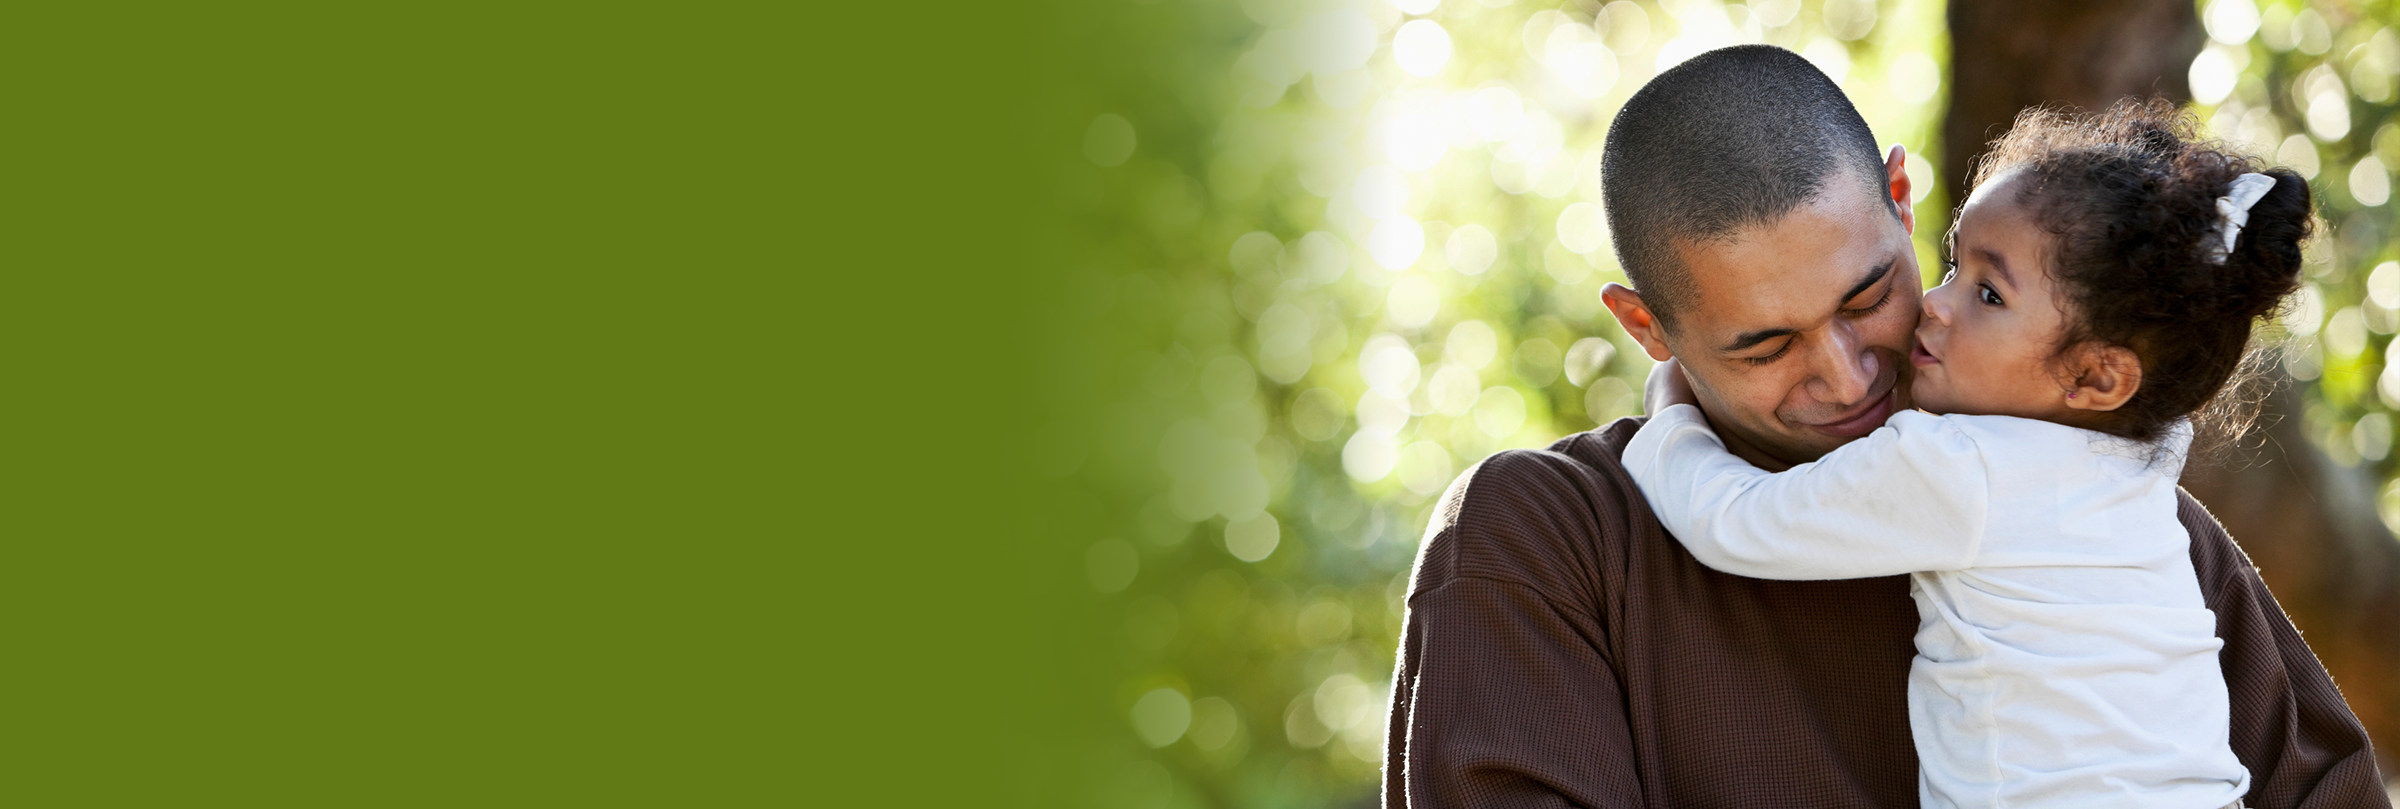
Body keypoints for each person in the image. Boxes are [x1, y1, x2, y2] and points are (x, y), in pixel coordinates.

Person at [1381, 45, 2387, 808]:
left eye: (1867, 296)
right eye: (1765, 345)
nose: (1848, 372)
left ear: (1903, 203)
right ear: (1648, 327)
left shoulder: (2126, 527)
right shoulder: (1545, 544)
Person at [1624, 98, 2299, 809]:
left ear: (2097, 376)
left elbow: (1736, 521)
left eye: (1987, 293)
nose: (1939, 305)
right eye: (1952, 266)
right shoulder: (2143, 464)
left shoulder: (1956, 466)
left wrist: (1670, 414)